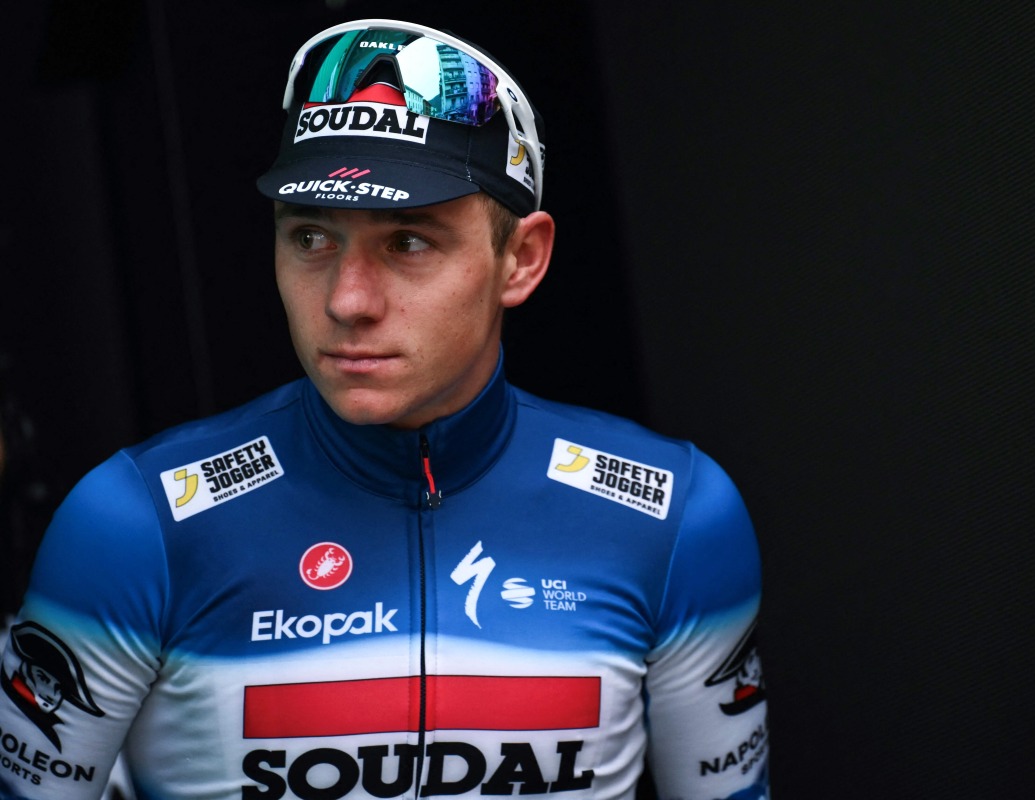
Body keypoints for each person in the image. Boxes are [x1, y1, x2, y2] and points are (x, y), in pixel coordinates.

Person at [0, 19, 768, 800]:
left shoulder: (674, 515)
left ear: (522, 259)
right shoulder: (135, 523)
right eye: (311, 237)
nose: (346, 299)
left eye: (407, 242)